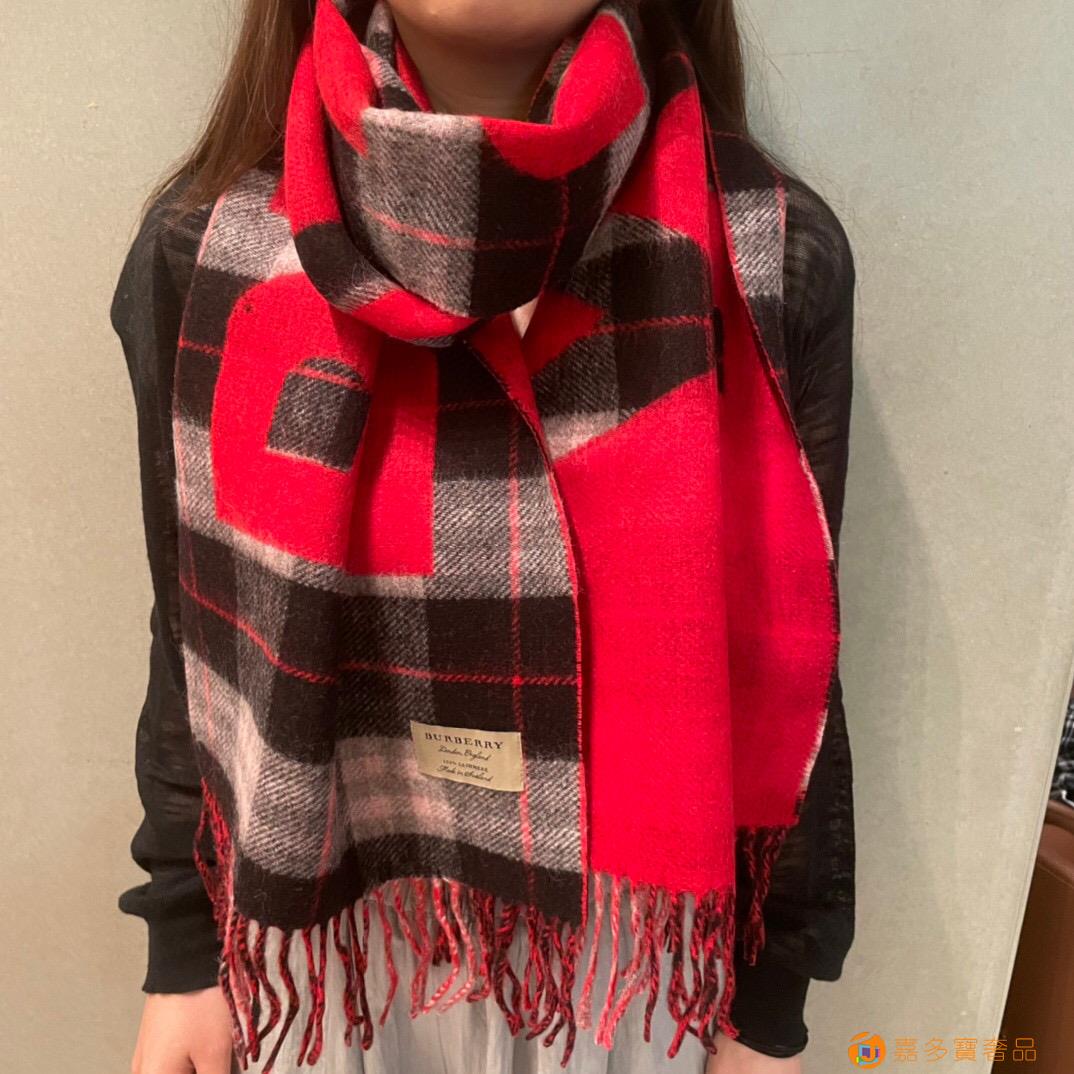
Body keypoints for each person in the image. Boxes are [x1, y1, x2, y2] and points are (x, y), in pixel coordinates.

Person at [109, 1, 857, 1072]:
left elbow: (790, 653)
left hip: (636, 967)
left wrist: (770, 1002)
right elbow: (192, 639)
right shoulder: (202, 250)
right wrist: (185, 947)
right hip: (328, 941)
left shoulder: (768, 252)